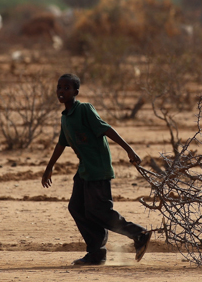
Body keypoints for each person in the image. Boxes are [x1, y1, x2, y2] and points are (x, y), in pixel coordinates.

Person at [42, 73, 151, 266]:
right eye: (59, 87)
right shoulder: (66, 117)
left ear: (76, 91)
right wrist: (49, 168)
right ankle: (96, 253)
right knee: (77, 208)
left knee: (99, 211)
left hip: (97, 169)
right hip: (84, 170)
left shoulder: (84, 109)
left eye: (67, 88)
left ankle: (139, 234)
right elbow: (61, 144)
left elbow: (106, 128)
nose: (61, 91)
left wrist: (129, 150)